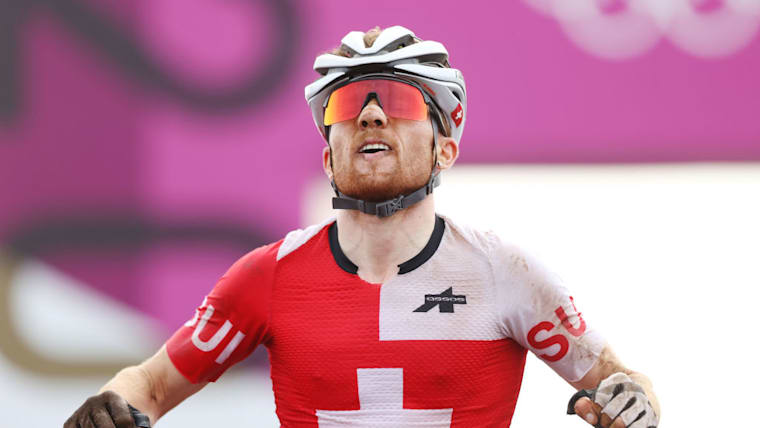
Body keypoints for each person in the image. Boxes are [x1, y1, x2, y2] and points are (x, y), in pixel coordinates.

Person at [64, 25, 660, 428]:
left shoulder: (506, 273)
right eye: (348, 106)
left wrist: (633, 403)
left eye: (399, 101)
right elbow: (151, 385)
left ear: (445, 149)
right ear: (329, 156)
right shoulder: (265, 277)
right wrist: (109, 405)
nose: (372, 114)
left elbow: (621, 381)